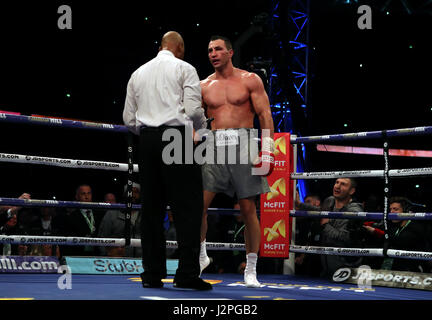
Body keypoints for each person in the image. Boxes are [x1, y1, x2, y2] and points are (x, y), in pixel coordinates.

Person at [123, 31, 211, 290]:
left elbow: (129, 119)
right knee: (188, 208)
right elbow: (195, 110)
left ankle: (151, 274)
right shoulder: (185, 68)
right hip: (178, 137)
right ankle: (186, 275)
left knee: (151, 210)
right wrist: (202, 130)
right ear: (180, 47)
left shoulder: (138, 73)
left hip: (147, 141)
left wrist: (151, 132)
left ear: (160, 46)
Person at [199, 35, 275, 287]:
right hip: (213, 145)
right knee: (199, 204)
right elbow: (197, 121)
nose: (213, 53)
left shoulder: (250, 79)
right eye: (210, 50)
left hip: (244, 143)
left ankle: (251, 269)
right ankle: (201, 256)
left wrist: (268, 150)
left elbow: (264, 114)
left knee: (248, 209)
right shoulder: (203, 85)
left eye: (218, 49)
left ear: (230, 52)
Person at [295, 178, 364, 278]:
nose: (337, 186)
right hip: (326, 268)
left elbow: (347, 239)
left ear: (351, 191)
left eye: (343, 184)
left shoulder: (355, 211)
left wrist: (325, 225)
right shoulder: (330, 201)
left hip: (346, 270)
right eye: (337, 182)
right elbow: (320, 211)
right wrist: (300, 205)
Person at [380, 196, 430, 272]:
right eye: (390, 209)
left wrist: (376, 232)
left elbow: (401, 241)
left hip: (412, 271)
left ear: (405, 211)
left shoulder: (416, 228)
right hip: (396, 269)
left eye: (395, 209)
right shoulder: (394, 227)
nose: (391, 212)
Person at [98, 183, 142, 257]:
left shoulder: (146, 215)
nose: (133, 195)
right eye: (130, 192)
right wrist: (106, 256)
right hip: (117, 261)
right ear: (124, 194)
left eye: (136, 192)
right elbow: (102, 238)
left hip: (142, 260)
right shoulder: (112, 214)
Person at [61, 184, 102, 257]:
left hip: (97, 254)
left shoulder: (99, 214)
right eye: (83, 194)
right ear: (77, 196)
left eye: (89, 193)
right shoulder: (71, 217)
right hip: (79, 254)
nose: (86, 196)